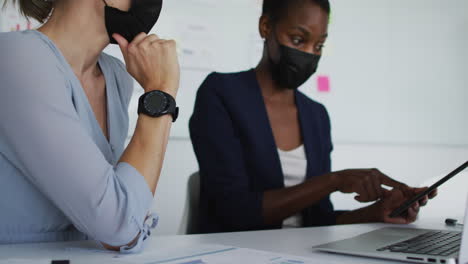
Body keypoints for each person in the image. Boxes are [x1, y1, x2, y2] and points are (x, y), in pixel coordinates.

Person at [189, 0, 436, 234]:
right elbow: (235, 212)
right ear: (265, 27)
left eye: (319, 46)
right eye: (298, 40)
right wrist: (335, 180)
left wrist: (377, 212)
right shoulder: (221, 94)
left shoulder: (315, 115)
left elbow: (317, 219)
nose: (309, 54)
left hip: (303, 253)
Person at [0, 0, 180, 253]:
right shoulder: (17, 57)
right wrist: (160, 94)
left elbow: (124, 216)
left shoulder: (116, 76)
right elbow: (119, 225)